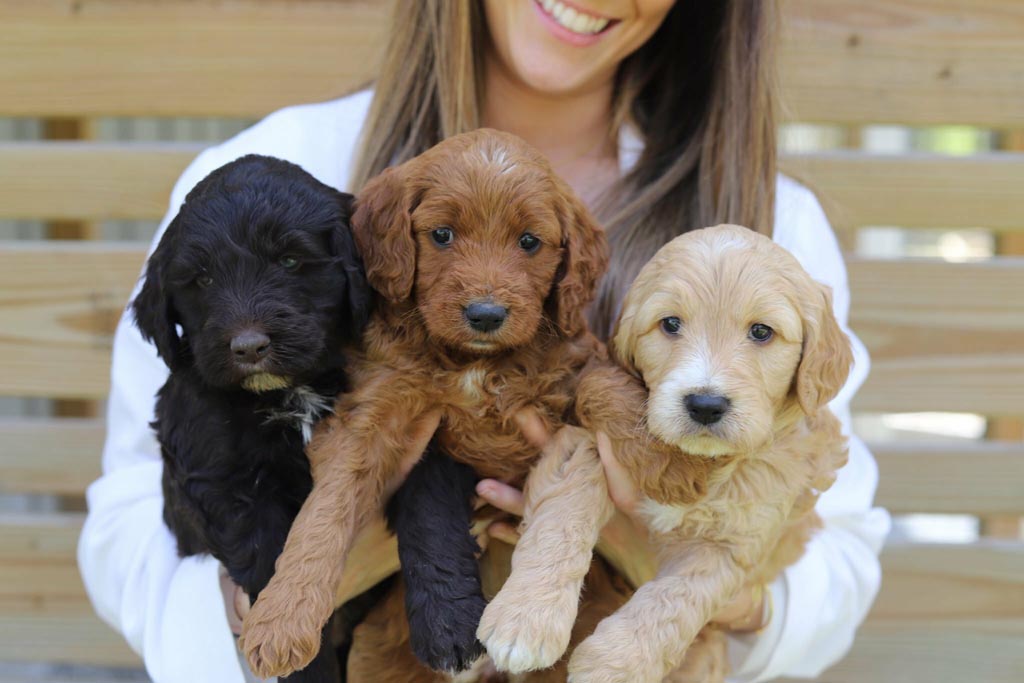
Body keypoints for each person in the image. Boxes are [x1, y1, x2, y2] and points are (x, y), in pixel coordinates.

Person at [78, 1, 891, 681]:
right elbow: (128, 524)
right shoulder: (279, 167)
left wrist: (672, 562)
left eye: (531, 246)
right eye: (442, 237)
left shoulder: (776, 224)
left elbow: (839, 563)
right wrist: (318, 572)